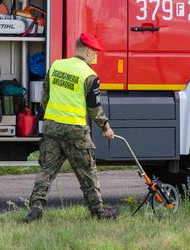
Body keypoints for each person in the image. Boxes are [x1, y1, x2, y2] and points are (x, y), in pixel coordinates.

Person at [24, 33, 120, 223]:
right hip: (75, 131)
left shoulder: (56, 66)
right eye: (95, 53)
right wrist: (106, 127)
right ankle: (99, 212)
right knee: (87, 173)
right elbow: (94, 108)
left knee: (46, 171)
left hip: (51, 128)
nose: (95, 57)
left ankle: (35, 209)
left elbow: (45, 97)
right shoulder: (89, 75)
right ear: (87, 51)